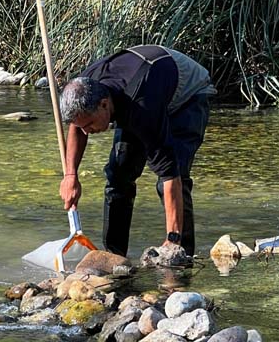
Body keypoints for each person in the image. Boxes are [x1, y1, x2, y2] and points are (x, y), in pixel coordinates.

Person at [58, 45, 215, 257]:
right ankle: (114, 256)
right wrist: (70, 176)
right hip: (144, 86)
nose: (87, 131)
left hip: (187, 96)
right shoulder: (86, 88)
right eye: (83, 126)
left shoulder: (142, 109)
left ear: (104, 105)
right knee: (118, 176)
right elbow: (76, 127)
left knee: (173, 175)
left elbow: (171, 176)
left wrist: (172, 238)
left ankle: (180, 255)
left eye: (90, 124)